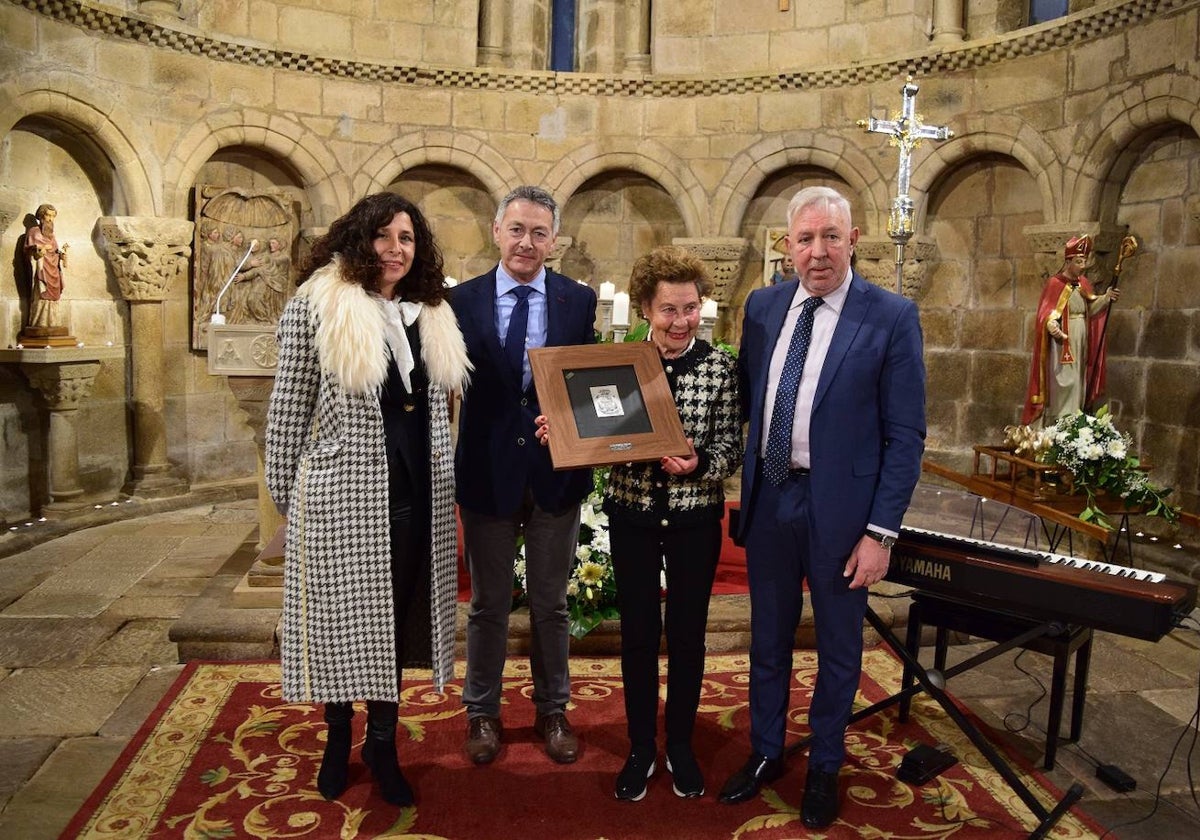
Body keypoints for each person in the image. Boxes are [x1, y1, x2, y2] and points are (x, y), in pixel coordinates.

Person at [720, 186, 926, 829]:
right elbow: (746, 401)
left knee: (839, 648)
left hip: (846, 511)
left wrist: (881, 532)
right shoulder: (762, 307)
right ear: (787, 246)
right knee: (768, 639)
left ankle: (826, 766)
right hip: (773, 495)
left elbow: (906, 434)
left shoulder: (890, 316)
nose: (816, 253)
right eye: (803, 240)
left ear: (854, 238)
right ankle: (764, 751)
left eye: (830, 237)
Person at [264, 192, 471, 808]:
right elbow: (287, 411)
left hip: (414, 498)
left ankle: (382, 741)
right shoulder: (317, 307)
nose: (395, 250)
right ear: (360, 238)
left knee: (391, 623)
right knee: (338, 626)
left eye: (406, 239)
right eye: (384, 236)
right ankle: (336, 737)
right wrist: (290, 500)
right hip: (339, 497)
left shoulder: (430, 313)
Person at [535, 246, 742, 801]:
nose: (682, 321)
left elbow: (733, 446)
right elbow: (592, 428)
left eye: (691, 308)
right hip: (633, 516)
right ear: (647, 310)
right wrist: (562, 428)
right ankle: (641, 747)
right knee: (639, 638)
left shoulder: (722, 365)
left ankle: (680, 746)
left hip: (697, 519)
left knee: (689, 637)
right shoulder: (618, 363)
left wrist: (703, 463)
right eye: (670, 310)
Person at [450, 185, 597, 766]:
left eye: (539, 233)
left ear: (554, 240)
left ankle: (552, 709)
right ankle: (482, 712)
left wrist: (566, 425)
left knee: (551, 603)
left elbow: (586, 384)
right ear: (496, 232)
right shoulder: (459, 303)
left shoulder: (576, 302)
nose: (527, 243)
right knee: (488, 603)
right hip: (486, 473)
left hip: (553, 475)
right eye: (517, 230)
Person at [1021, 234, 1120, 427]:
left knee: (1080, 379)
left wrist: (1106, 297)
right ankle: (1061, 422)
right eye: (1078, 261)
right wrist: (1051, 324)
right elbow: (1046, 313)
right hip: (1063, 339)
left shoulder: (1084, 283)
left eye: (1084, 261)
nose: (1082, 266)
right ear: (1068, 261)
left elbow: (1090, 309)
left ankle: (1076, 420)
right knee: (1066, 380)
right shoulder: (1054, 283)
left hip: (1082, 334)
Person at [24, 203, 68, 329]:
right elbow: (28, 250)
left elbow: (55, 252)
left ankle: (53, 323)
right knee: (42, 292)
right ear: (41, 216)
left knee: (54, 296)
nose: (50, 219)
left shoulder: (52, 236)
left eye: (53, 216)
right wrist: (40, 248)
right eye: (48, 215)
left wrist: (62, 255)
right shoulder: (34, 232)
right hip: (42, 268)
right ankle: (40, 323)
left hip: (53, 269)